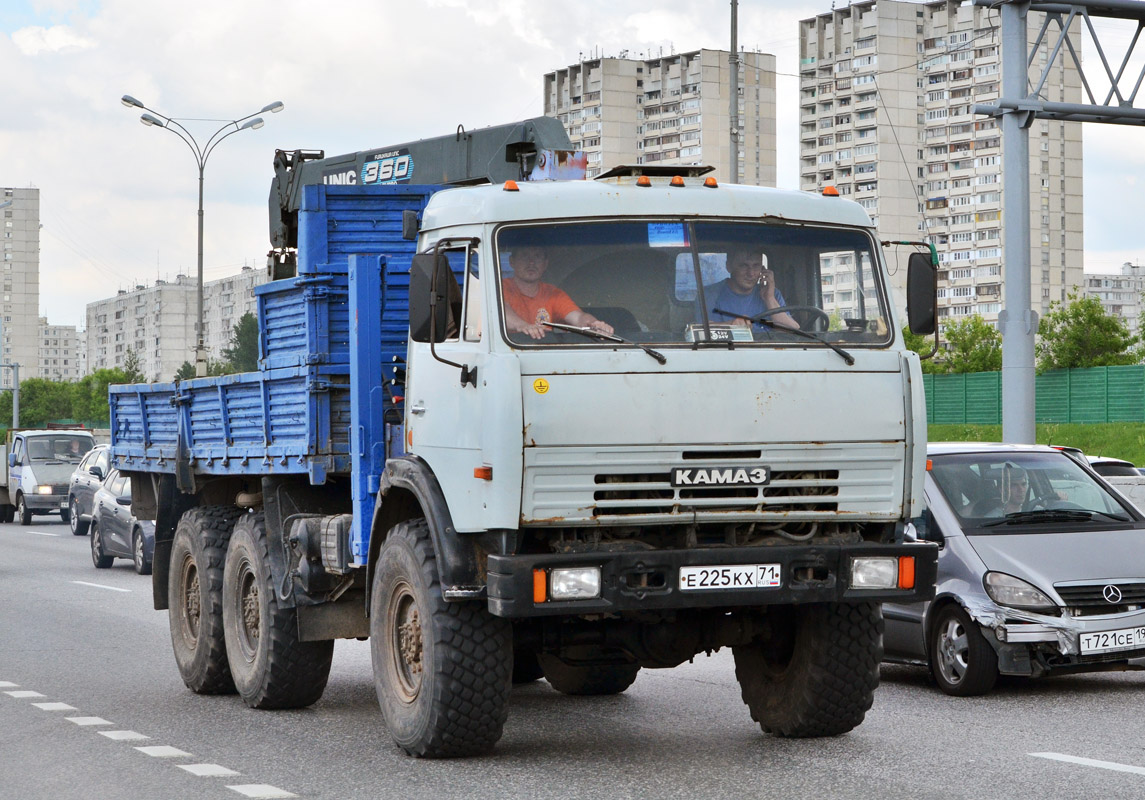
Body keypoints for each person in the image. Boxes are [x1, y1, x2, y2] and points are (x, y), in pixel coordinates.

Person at [502, 246, 615, 340]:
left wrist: (594, 324)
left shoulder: (552, 293)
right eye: (525, 256)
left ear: (545, 264)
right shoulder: (501, 287)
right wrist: (522, 326)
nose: (531, 262)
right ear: (512, 262)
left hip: (544, 354)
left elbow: (578, 317)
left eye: (537, 256)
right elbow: (501, 310)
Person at [700, 247, 799, 330]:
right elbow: (702, 330)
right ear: (729, 266)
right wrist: (731, 325)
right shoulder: (709, 295)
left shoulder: (772, 293)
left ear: (763, 269)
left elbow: (793, 332)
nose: (751, 273)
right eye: (744, 266)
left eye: (756, 266)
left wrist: (769, 299)